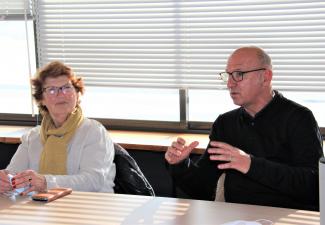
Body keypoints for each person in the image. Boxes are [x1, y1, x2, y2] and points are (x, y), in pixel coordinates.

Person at [165, 46, 323, 210]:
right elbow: (203, 189)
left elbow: (314, 185)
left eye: (239, 74)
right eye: (228, 75)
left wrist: (250, 165)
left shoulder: (299, 118)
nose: (229, 83)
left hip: (288, 215)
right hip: (236, 217)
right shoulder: (225, 123)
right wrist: (181, 165)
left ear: (265, 77)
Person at [0, 61, 116, 196]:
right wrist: (5, 181)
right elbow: (14, 175)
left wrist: (45, 182)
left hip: (93, 207)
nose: (60, 94)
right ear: (41, 99)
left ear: (77, 94)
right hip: (44, 209)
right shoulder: (33, 137)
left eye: (66, 87)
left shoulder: (94, 132)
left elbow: (93, 181)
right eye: (51, 90)